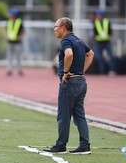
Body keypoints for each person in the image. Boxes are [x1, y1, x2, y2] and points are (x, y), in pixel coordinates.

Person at [44, 17, 94, 154]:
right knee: (79, 115)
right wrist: (82, 71)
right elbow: (90, 54)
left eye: (56, 26)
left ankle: (61, 145)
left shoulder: (66, 41)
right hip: (81, 82)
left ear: (64, 28)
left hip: (70, 82)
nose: (55, 29)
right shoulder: (78, 39)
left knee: (63, 116)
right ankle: (85, 145)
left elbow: (69, 54)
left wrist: (66, 72)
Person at [92, 9, 115, 75]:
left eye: (98, 15)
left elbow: (110, 31)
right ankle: (101, 71)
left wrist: (107, 36)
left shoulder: (107, 22)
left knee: (111, 55)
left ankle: (112, 70)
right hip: (99, 42)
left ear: (101, 16)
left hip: (107, 41)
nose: (97, 16)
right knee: (99, 57)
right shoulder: (95, 22)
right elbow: (95, 32)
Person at [6, 8, 25, 76]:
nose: (9, 15)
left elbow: (23, 31)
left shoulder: (19, 22)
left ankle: (20, 70)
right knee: (9, 57)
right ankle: (9, 70)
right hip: (10, 41)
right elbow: (7, 30)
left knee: (18, 57)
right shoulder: (9, 21)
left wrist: (19, 37)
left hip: (17, 42)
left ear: (14, 15)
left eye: (10, 14)